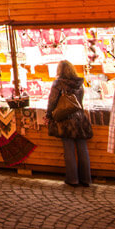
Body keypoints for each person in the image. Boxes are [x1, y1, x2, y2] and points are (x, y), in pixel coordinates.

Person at [46, 59, 94, 187]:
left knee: (69, 150)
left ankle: (72, 179)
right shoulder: (79, 84)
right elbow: (80, 101)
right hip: (80, 118)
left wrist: (49, 114)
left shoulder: (58, 84)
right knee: (82, 149)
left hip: (65, 120)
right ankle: (86, 179)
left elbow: (52, 101)